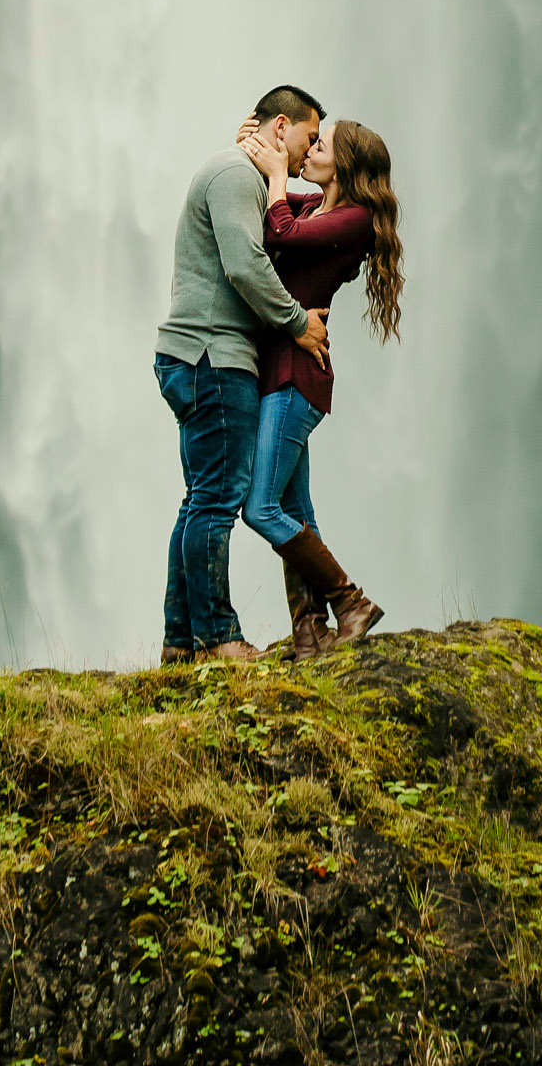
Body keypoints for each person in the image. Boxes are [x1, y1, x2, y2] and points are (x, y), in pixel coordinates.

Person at [154, 84, 331, 664]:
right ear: (281, 127)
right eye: (307, 138)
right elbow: (245, 263)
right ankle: (218, 638)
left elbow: (306, 221)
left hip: (196, 355)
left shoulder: (246, 178)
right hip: (213, 356)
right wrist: (296, 323)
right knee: (218, 499)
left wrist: (278, 176)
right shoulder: (234, 177)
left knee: (199, 499)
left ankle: (180, 641)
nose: (309, 155)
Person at [238, 110, 402, 658]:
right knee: (295, 509)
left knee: (260, 508)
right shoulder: (313, 203)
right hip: (277, 369)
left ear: (345, 163)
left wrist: (278, 178)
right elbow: (273, 220)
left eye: (321, 145)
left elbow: (280, 230)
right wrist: (260, 145)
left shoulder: (354, 220)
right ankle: (309, 631)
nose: (310, 150)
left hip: (296, 375)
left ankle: (350, 602)